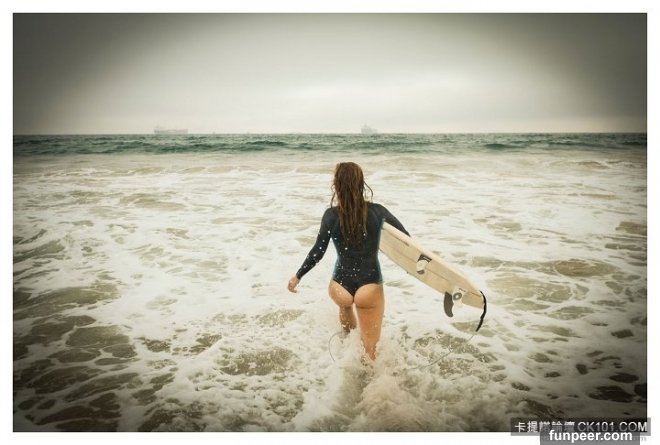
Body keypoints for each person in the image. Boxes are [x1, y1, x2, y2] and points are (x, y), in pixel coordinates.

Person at [287, 162, 409, 361]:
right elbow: (406, 240)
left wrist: (297, 276)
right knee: (370, 350)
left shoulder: (330, 215)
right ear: (361, 183)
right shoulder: (378, 212)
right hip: (369, 286)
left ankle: (347, 354)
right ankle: (368, 375)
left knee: (346, 309)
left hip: (340, 286)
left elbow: (318, 251)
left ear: (337, 185)